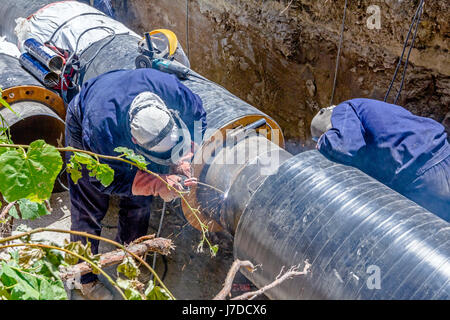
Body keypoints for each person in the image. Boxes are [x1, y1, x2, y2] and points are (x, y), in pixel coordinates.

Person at [65, 68, 206, 299]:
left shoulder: (175, 93)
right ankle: (83, 279)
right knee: (88, 207)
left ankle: (130, 261)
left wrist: (185, 156)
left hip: (121, 100)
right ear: (134, 141)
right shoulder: (102, 132)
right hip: (83, 117)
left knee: (139, 203)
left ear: (168, 113)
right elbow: (104, 181)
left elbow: (198, 116)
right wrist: (157, 184)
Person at [310, 98, 449, 222]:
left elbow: (343, 147)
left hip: (422, 174)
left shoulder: (344, 109)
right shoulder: (371, 111)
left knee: (432, 239)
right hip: (443, 154)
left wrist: (323, 143)